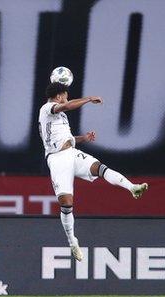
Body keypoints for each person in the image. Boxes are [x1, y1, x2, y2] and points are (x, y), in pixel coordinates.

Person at [39, 82, 148, 261]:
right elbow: (66, 105)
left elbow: (66, 138)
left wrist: (84, 138)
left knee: (99, 168)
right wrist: (89, 98)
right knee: (67, 203)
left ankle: (132, 187)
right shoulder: (48, 108)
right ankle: (72, 241)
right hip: (57, 158)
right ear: (58, 96)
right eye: (65, 95)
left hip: (71, 153)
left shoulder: (61, 118)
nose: (66, 98)